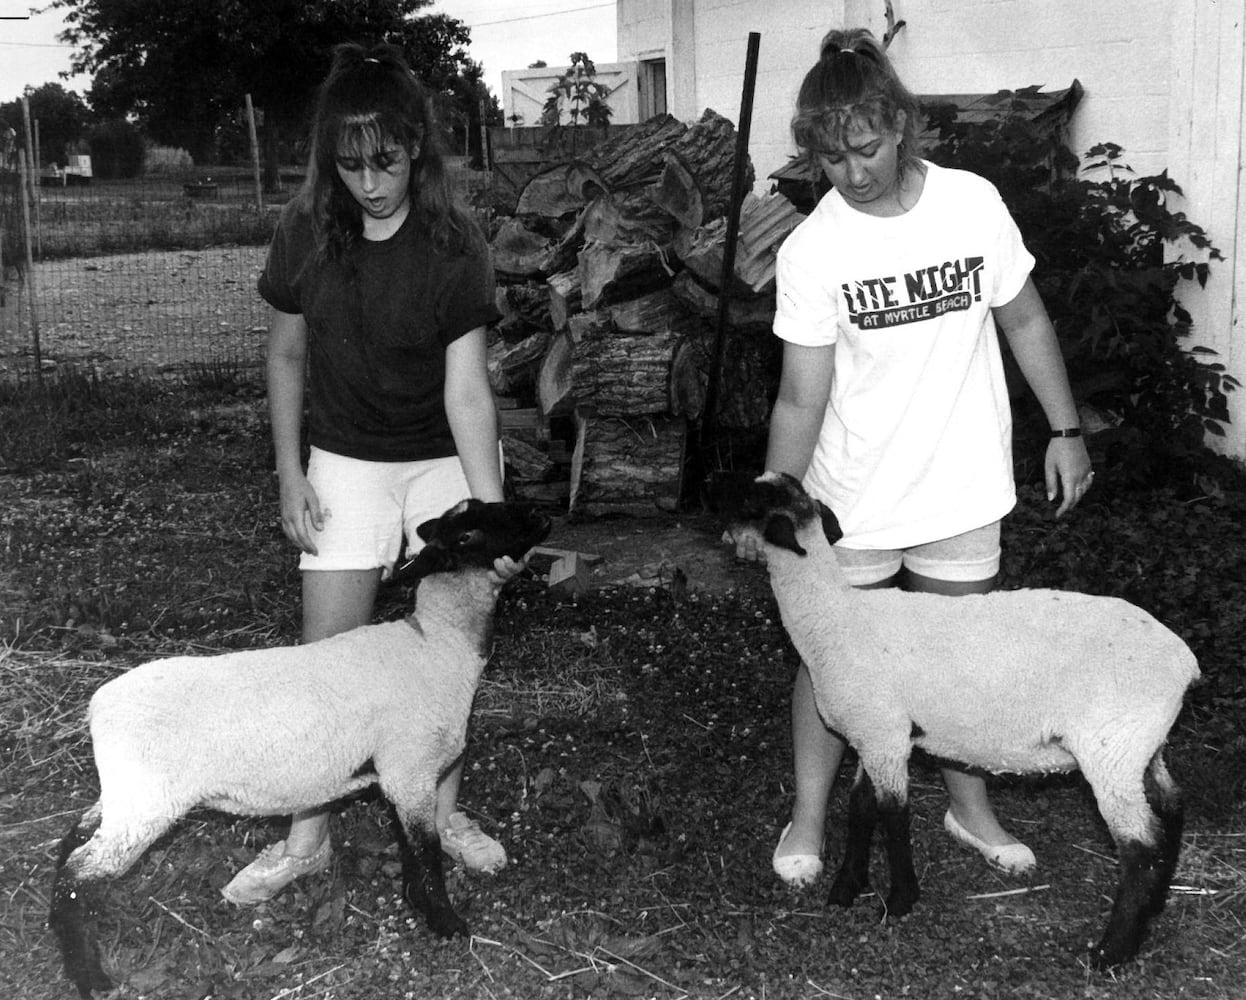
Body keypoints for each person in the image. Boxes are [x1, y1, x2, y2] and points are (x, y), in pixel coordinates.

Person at [745, 27, 1094, 888]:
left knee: (959, 666)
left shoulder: (972, 203)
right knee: (831, 663)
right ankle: (810, 815)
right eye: (830, 157)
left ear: (901, 124)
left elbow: (1025, 319)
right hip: (851, 500)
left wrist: (1066, 429)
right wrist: (772, 503)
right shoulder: (813, 250)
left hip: (961, 488)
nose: (851, 172)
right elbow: (800, 396)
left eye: (864, 147)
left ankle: (969, 810)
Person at [222, 42, 515, 904]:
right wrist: (288, 471)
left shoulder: (455, 242)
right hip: (345, 456)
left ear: (416, 149)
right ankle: (305, 836)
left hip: (441, 460)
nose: (369, 182)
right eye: (349, 165)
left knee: (454, 655)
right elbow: (284, 355)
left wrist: (489, 517)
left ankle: (443, 812)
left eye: (384, 161)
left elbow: (469, 392)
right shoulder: (304, 232)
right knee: (326, 657)